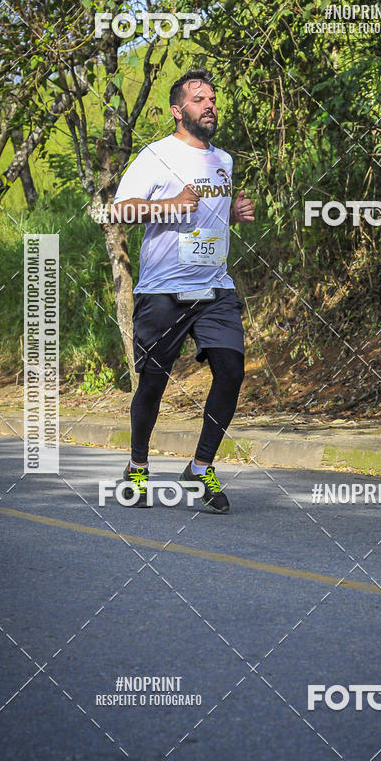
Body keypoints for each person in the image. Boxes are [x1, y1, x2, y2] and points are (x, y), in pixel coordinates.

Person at [111, 67, 255, 513]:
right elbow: (119, 210)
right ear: (178, 111)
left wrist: (231, 214)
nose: (209, 105)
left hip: (214, 288)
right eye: (198, 99)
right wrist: (168, 205)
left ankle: (199, 466)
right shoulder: (156, 155)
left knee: (231, 371)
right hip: (164, 291)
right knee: (153, 384)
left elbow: (206, 217)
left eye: (212, 98)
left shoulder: (223, 160)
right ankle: (137, 466)